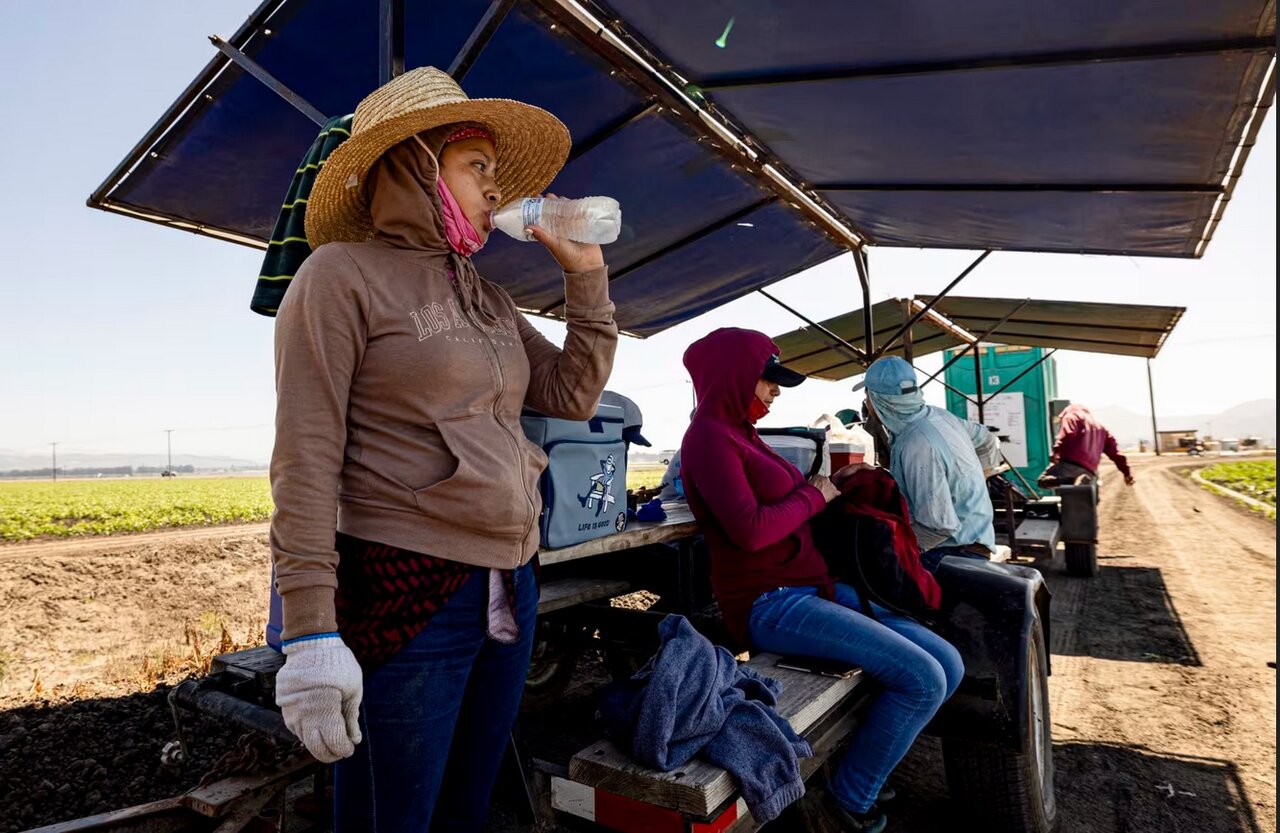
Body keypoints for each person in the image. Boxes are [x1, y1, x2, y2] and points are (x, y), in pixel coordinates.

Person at [269, 67, 618, 831]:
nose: (496, 190)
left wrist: (586, 280)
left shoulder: (486, 295)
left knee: (468, 804)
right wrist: (311, 630)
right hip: (406, 584)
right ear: (416, 164)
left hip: (509, 582)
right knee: (393, 816)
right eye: (478, 167)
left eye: (497, 172)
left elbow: (569, 395)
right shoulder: (340, 277)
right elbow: (305, 454)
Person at [680, 328, 963, 833]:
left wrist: (831, 489)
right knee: (922, 679)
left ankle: (864, 768)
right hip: (770, 602)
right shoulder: (708, 438)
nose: (775, 391)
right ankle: (844, 804)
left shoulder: (743, 434)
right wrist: (819, 494)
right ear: (733, 376)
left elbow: (788, 504)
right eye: (767, 380)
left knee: (948, 661)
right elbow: (748, 531)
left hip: (811, 588)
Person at [855, 356, 998, 573]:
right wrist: (980, 476)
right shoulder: (941, 416)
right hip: (978, 538)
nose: (866, 404)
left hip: (954, 552)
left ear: (878, 401)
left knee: (867, 569)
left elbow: (939, 528)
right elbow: (986, 438)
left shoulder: (915, 444)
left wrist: (890, 547)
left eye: (867, 397)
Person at [1039, 403, 1135, 488]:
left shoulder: (1071, 416)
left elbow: (1068, 434)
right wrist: (1126, 472)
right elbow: (1115, 453)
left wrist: (1056, 452)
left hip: (1070, 464)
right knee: (1082, 502)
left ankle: (1071, 481)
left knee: (1042, 481)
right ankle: (1076, 483)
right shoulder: (1100, 427)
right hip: (1090, 471)